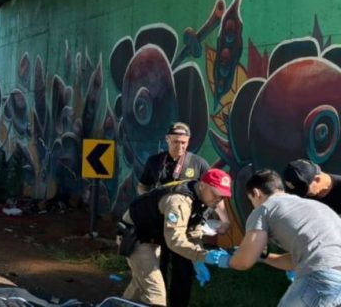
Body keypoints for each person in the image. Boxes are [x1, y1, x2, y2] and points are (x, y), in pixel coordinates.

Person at [136, 123, 232, 302]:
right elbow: (142, 185)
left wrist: (225, 220)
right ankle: (158, 301)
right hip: (157, 227)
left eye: (183, 143)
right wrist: (148, 204)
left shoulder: (198, 164)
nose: (179, 147)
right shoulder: (155, 162)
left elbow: (214, 193)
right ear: (167, 139)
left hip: (186, 229)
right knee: (158, 269)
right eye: (175, 142)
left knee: (184, 270)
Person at [223, 169, 341, 306]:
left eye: (251, 200)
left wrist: (226, 260)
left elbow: (243, 262)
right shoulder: (315, 206)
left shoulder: (264, 209)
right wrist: (263, 257)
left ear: (256, 193)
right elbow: (299, 261)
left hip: (321, 280)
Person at [119, 168, 233, 307]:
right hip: (136, 236)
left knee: (141, 285)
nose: (218, 199)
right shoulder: (179, 202)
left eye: (222, 196)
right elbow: (175, 241)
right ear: (203, 185)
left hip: (152, 236)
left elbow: (193, 231)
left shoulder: (201, 197)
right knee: (156, 297)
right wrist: (203, 256)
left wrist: (197, 260)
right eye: (215, 194)